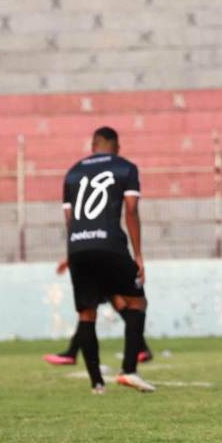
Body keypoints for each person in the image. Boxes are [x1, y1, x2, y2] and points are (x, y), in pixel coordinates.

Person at [62, 126, 154, 394]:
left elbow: (69, 219)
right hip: (110, 244)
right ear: (115, 146)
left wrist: (74, 251)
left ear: (93, 145)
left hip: (78, 246)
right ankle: (129, 371)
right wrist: (138, 254)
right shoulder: (125, 167)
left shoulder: (72, 172)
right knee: (137, 302)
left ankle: (97, 385)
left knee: (86, 313)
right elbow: (131, 210)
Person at [42, 266, 154, 366]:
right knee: (118, 306)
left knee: (89, 310)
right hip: (105, 268)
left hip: (102, 268)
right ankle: (142, 348)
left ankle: (72, 352)